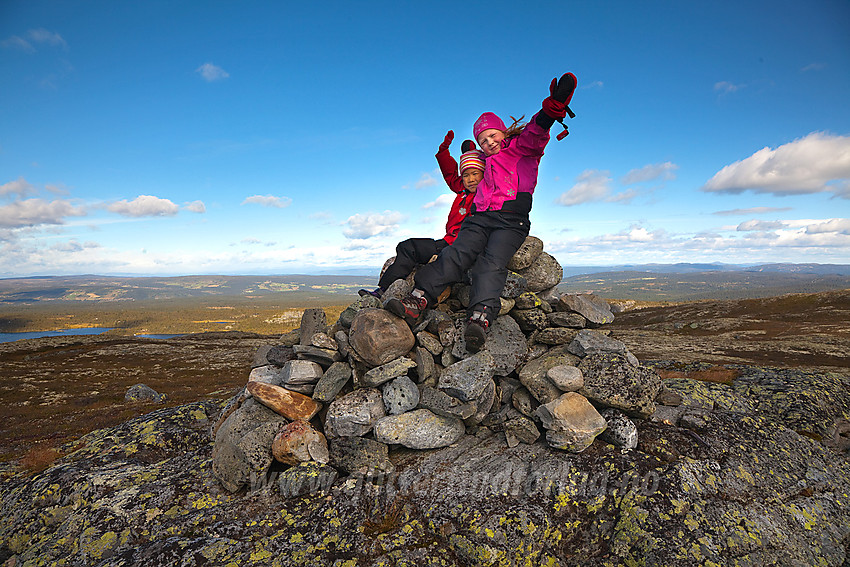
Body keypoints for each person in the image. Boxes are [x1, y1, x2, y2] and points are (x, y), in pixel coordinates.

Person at [385, 72, 577, 352]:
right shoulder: (482, 163)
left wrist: (549, 111)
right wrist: (447, 154)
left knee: (491, 262)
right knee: (456, 254)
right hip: (479, 218)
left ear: (503, 132)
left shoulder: (522, 149)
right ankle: (418, 299)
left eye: (492, 135)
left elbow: (536, 133)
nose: (488, 142)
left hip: (511, 221)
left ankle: (481, 315)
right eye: (482, 139)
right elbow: (458, 177)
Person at [358, 132, 485, 299]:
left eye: (475, 173)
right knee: (408, 247)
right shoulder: (462, 190)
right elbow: (450, 174)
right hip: (447, 242)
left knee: (433, 266)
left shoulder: (487, 194)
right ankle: (382, 290)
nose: (471, 179)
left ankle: (417, 298)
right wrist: (444, 151)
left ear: (485, 174)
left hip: (462, 248)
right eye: (466, 175)